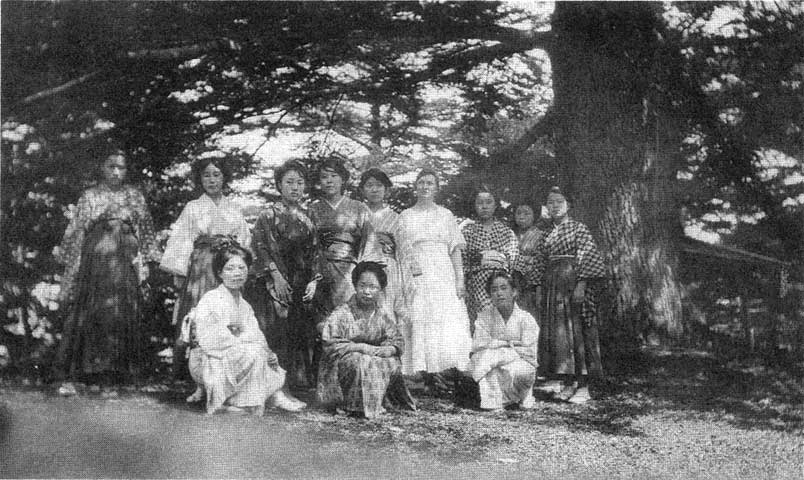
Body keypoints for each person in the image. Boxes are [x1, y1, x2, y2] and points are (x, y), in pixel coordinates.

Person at [54, 147, 161, 395]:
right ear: (102, 168)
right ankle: (90, 372)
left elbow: (145, 230)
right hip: (97, 261)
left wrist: (148, 262)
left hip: (125, 259)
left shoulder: (135, 197)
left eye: (120, 167)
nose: (115, 172)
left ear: (126, 170)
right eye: (110, 166)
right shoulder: (90, 196)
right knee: (96, 310)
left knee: (121, 310)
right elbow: (77, 230)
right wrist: (71, 260)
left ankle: (118, 373)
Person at [160, 157, 251, 387]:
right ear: (200, 179)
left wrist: (240, 267)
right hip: (202, 266)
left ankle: (226, 371)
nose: (211, 179)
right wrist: (179, 272)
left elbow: (244, 241)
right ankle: (190, 375)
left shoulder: (234, 208)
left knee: (227, 314)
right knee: (198, 314)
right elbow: (182, 241)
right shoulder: (193, 207)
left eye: (216, 174)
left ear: (225, 178)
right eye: (206, 175)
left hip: (228, 266)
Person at [187, 242, 305, 415]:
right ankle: (235, 404)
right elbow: (209, 337)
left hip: (236, 351)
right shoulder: (211, 299)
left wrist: (268, 351)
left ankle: (268, 397)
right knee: (254, 353)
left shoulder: (244, 305)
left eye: (241, 268)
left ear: (248, 270)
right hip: (209, 355)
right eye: (230, 269)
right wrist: (243, 340)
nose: (236, 273)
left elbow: (255, 333)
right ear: (219, 273)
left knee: (262, 353)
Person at [396, 168, 472, 391]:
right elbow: (402, 248)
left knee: (445, 318)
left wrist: (460, 279)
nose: (425, 187)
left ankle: (444, 371)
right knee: (420, 316)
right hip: (417, 271)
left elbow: (455, 249)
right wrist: (410, 269)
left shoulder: (446, 215)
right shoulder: (406, 215)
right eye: (421, 182)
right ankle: (422, 373)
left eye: (430, 183)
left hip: (442, 271)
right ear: (415, 187)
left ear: (437, 188)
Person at [249, 160, 321, 388]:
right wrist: (276, 276)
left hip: (302, 279)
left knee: (301, 329)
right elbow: (260, 246)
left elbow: (317, 250)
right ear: (279, 185)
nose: (295, 187)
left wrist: (315, 280)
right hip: (275, 279)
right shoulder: (268, 215)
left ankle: (297, 381)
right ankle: (273, 385)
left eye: (300, 183)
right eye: (289, 182)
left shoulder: (309, 214)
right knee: (277, 330)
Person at [535, 186, 607, 404]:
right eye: (551, 202)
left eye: (559, 201)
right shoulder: (545, 232)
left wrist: (582, 284)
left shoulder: (578, 228)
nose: (554, 206)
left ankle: (584, 385)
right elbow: (539, 261)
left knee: (577, 331)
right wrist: (538, 287)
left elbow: (589, 256)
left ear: (568, 205)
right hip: (551, 287)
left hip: (572, 283)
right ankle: (567, 382)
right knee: (559, 335)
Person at [317, 261, 416, 419]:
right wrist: (361, 347)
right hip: (341, 366)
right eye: (362, 286)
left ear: (381, 290)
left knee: (390, 361)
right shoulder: (342, 313)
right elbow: (331, 344)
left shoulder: (381, 315)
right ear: (355, 286)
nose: (367, 292)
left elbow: (396, 339)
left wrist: (387, 349)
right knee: (360, 360)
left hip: (372, 357)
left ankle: (378, 401)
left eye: (373, 287)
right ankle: (349, 404)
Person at [309, 158, 374, 318]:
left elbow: (369, 242)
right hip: (321, 269)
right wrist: (314, 275)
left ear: (343, 179)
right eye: (324, 177)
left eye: (334, 175)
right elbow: (310, 245)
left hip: (350, 270)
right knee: (324, 321)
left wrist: (362, 271)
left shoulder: (359, 208)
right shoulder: (313, 209)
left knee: (350, 316)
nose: (329, 180)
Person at [468, 272, 538, 411]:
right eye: (494, 290)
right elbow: (479, 345)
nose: (499, 293)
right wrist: (509, 344)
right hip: (493, 364)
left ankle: (521, 395)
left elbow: (528, 351)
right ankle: (495, 402)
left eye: (504, 288)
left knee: (518, 371)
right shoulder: (484, 317)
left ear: (514, 292)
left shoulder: (526, 318)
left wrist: (499, 346)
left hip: (519, 363)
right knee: (486, 362)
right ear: (490, 295)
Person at [359, 167, 413, 328]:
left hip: (388, 268)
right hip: (361, 268)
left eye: (379, 185)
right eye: (369, 185)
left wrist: (407, 279)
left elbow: (403, 250)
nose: (374, 189)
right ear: (362, 190)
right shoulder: (358, 212)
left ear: (386, 190)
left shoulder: (395, 218)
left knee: (387, 311)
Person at [462, 185, 518, 325]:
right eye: (480, 203)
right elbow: (462, 260)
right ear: (475, 206)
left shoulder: (506, 231)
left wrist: (497, 260)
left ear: (495, 205)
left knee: (503, 320)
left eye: (489, 202)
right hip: (476, 285)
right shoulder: (467, 232)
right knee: (481, 324)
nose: (484, 207)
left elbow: (513, 258)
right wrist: (480, 259)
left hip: (501, 282)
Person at [510, 203, 545, 318]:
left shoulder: (540, 235)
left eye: (527, 213)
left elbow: (541, 262)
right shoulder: (510, 234)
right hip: (513, 282)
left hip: (532, 283)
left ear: (535, 216)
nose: (521, 216)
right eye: (518, 213)